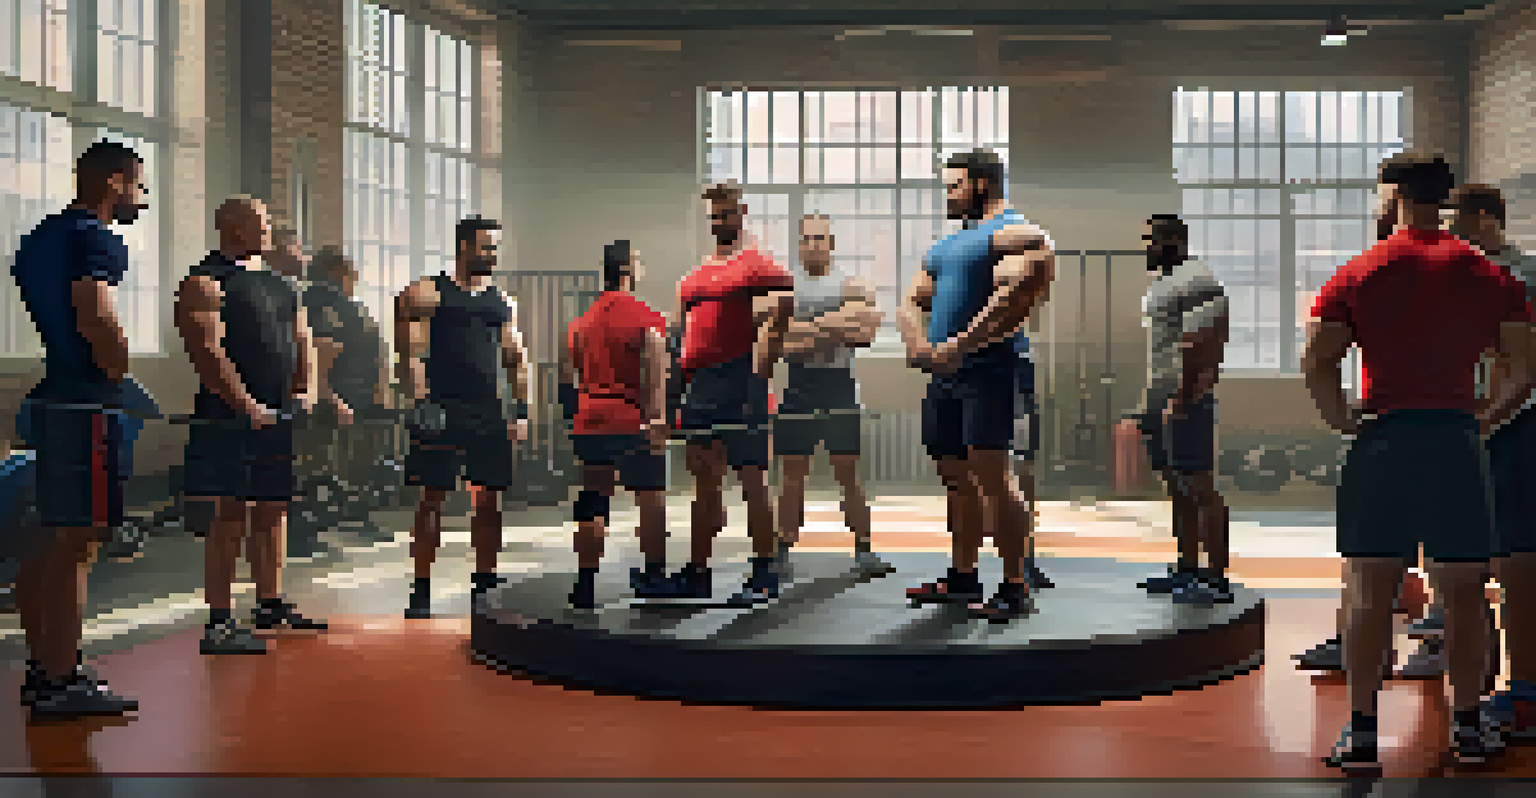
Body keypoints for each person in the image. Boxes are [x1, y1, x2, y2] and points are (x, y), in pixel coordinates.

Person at [1306, 150, 1532, 771]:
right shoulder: (1489, 276)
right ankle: (1466, 724)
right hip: (1456, 441)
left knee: (1369, 592)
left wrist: (1340, 415)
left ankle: (1360, 731)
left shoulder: (1361, 271)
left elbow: (1319, 361)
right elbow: (1521, 367)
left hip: (1385, 439)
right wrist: (1486, 415)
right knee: (1463, 591)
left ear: (1394, 194)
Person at [10, 140, 152, 718]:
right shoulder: (95, 238)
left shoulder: (39, 238)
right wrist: (117, 369)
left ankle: (43, 669)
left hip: (52, 399)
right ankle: (63, 678)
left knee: (49, 536)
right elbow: (93, 313)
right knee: (81, 540)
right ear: (115, 181)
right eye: (139, 187)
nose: (140, 199)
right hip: (86, 404)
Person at [899, 148, 1055, 623]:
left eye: (954, 186)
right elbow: (910, 301)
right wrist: (920, 346)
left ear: (982, 184)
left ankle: (1014, 584)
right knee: (955, 480)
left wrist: (961, 345)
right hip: (944, 374)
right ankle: (963, 575)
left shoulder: (1010, 233)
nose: (948, 194)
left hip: (991, 369)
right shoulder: (946, 246)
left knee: (994, 479)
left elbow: (1015, 302)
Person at [177, 196, 329, 656]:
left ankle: (269, 603)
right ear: (233, 228)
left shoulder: (282, 286)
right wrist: (245, 405)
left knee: (273, 509)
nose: (269, 231)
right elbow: (207, 352)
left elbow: (305, 341)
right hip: (227, 418)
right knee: (229, 515)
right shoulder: (204, 281)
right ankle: (219, 621)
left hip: (277, 417)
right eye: (261, 225)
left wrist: (307, 391)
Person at [665, 182, 794, 604]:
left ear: (741, 213)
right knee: (704, 483)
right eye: (714, 216)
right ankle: (698, 572)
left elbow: (786, 300)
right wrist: (672, 397)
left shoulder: (756, 265)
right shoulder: (694, 277)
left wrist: (762, 363)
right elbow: (681, 334)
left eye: (727, 214)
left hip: (741, 383)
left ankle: (764, 573)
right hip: (699, 385)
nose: (720, 221)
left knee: (753, 481)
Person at [396, 216, 530, 619]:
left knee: (489, 501)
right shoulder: (428, 293)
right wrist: (420, 402)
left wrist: (520, 411)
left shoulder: (502, 301)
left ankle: (485, 585)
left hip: (487, 413)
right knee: (432, 498)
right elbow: (411, 354)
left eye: (495, 247)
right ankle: (421, 589)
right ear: (464, 247)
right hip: (442, 409)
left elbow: (516, 361)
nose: (492, 254)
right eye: (486, 247)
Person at [1448, 183, 1536, 740]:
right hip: (1472, 425)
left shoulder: (1520, 275)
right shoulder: (1462, 275)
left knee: (1516, 553)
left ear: (1483, 218)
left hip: (1514, 423)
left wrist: (1493, 415)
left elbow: (1516, 360)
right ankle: (1482, 678)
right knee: (1471, 557)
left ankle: (1524, 687)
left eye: (1457, 218)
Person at [1114, 214, 1233, 605]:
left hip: (1185, 398)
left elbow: (1207, 343)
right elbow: (1164, 350)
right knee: (1177, 488)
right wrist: (1149, 402)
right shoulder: (1164, 283)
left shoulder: (1196, 279)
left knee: (1200, 487)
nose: (1146, 247)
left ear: (1174, 241)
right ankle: (1187, 569)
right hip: (1162, 396)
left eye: (1152, 239)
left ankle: (1215, 579)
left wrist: (1184, 396)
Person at [774, 214, 890, 576]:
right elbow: (783, 345)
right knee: (792, 474)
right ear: (798, 243)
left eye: (819, 238)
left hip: (839, 385)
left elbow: (864, 335)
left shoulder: (851, 284)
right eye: (806, 238)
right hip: (798, 387)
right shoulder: (786, 287)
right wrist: (834, 326)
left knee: (849, 472)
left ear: (832, 242)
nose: (813, 244)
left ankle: (864, 548)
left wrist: (807, 330)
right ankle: (780, 550)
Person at [561, 241, 670, 608]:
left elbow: (567, 376)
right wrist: (657, 420)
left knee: (594, 499)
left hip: (589, 421)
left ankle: (585, 584)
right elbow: (656, 372)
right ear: (628, 269)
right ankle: (654, 576)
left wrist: (574, 419)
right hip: (630, 421)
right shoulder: (645, 316)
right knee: (650, 498)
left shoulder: (580, 322)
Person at [304, 247, 394, 544]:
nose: (356, 277)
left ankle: (356, 515)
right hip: (339, 398)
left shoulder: (348, 305)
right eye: (351, 272)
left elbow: (375, 347)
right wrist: (331, 398)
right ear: (335, 272)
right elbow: (319, 354)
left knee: (360, 465)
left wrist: (381, 390)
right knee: (323, 464)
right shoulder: (322, 304)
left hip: (361, 396)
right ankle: (312, 527)